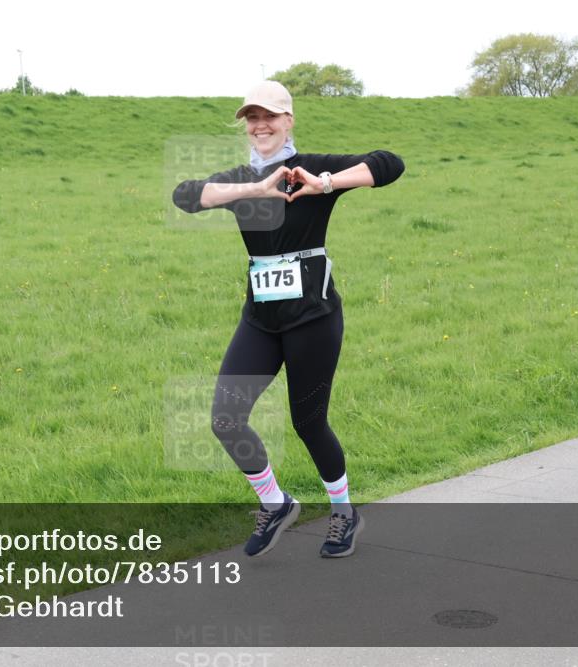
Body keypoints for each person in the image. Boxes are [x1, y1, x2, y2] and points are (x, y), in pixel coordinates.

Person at [172, 80, 405, 558]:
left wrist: (325, 183)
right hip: (261, 319)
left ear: (288, 121)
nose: (260, 126)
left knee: (308, 422)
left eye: (270, 117)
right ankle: (275, 503)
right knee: (225, 419)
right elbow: (184, 194)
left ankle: (344, 514)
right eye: (252, 118)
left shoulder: (312, 168)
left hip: (313, 318)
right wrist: (256, 188)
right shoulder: (241, 178)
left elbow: (389, 163)